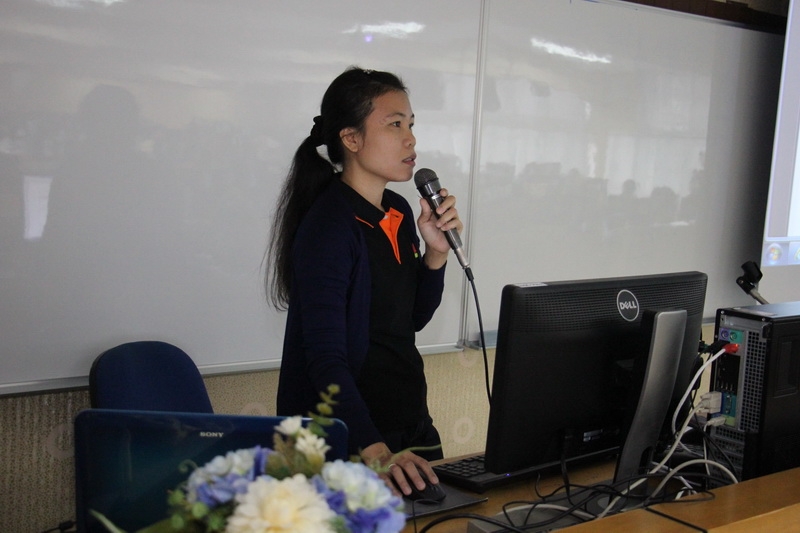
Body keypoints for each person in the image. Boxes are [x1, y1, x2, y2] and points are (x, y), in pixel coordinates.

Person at [265, 66, 463, 497]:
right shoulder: (329, 227)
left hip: (407, 424)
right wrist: (375, 451)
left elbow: (410, 320)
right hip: (350, 439)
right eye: (395, 125)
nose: (410, 140)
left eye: (411, 125)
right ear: (351, 139)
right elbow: (325, 359)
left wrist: (436, 253)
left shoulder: (397, 210)